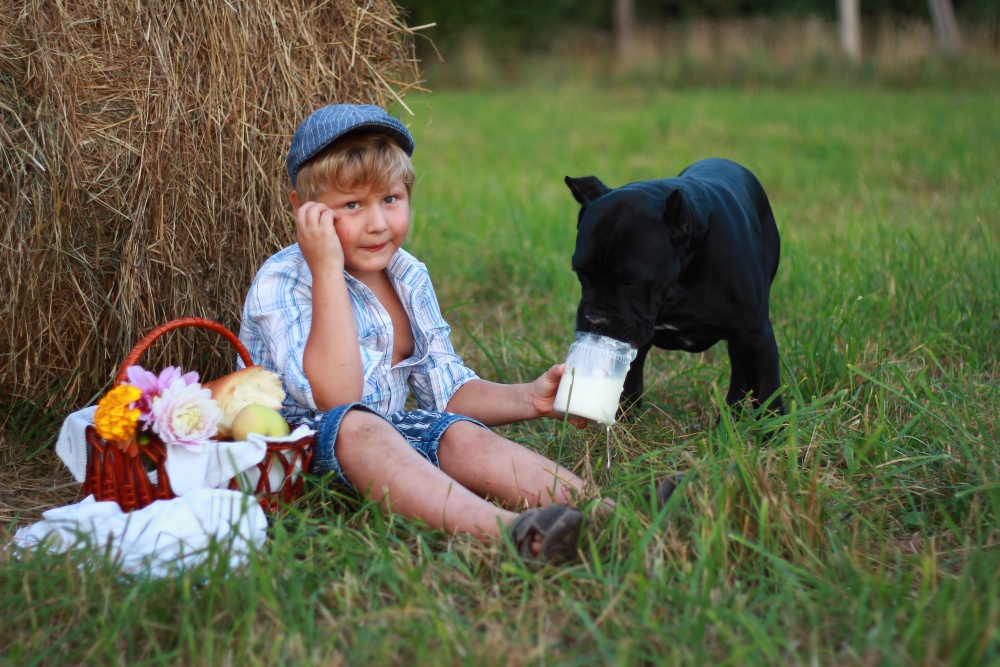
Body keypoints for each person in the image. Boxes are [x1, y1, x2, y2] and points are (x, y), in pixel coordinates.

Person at [239, 103, 604, 564]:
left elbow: (447, 390)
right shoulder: (286, 279)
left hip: (389, 437)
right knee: (357, 425)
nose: (377, 223)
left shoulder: (407, 275)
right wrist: (327, 268)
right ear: (303, 211)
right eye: (352, 205)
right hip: (296, 453)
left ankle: (603, 512)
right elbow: (337, 397)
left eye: (390, 199)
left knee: (458, 434)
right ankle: (511, 534)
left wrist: (529, 399)